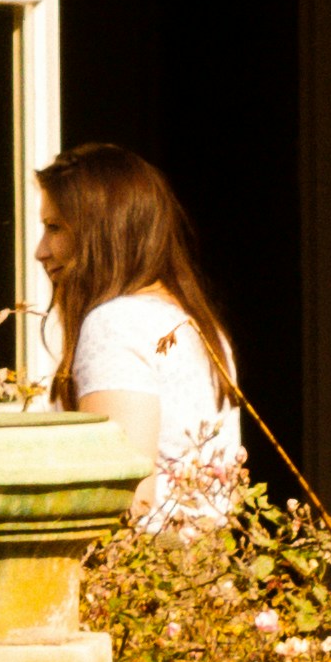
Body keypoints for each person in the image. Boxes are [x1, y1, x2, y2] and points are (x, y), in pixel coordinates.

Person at [35, 143, 245, 534]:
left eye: (55, 228)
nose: (40, 251)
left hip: (140, 585)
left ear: (102, 230)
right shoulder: (193, 322)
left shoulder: (117, 322)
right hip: (201, 578)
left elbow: (124, 500)